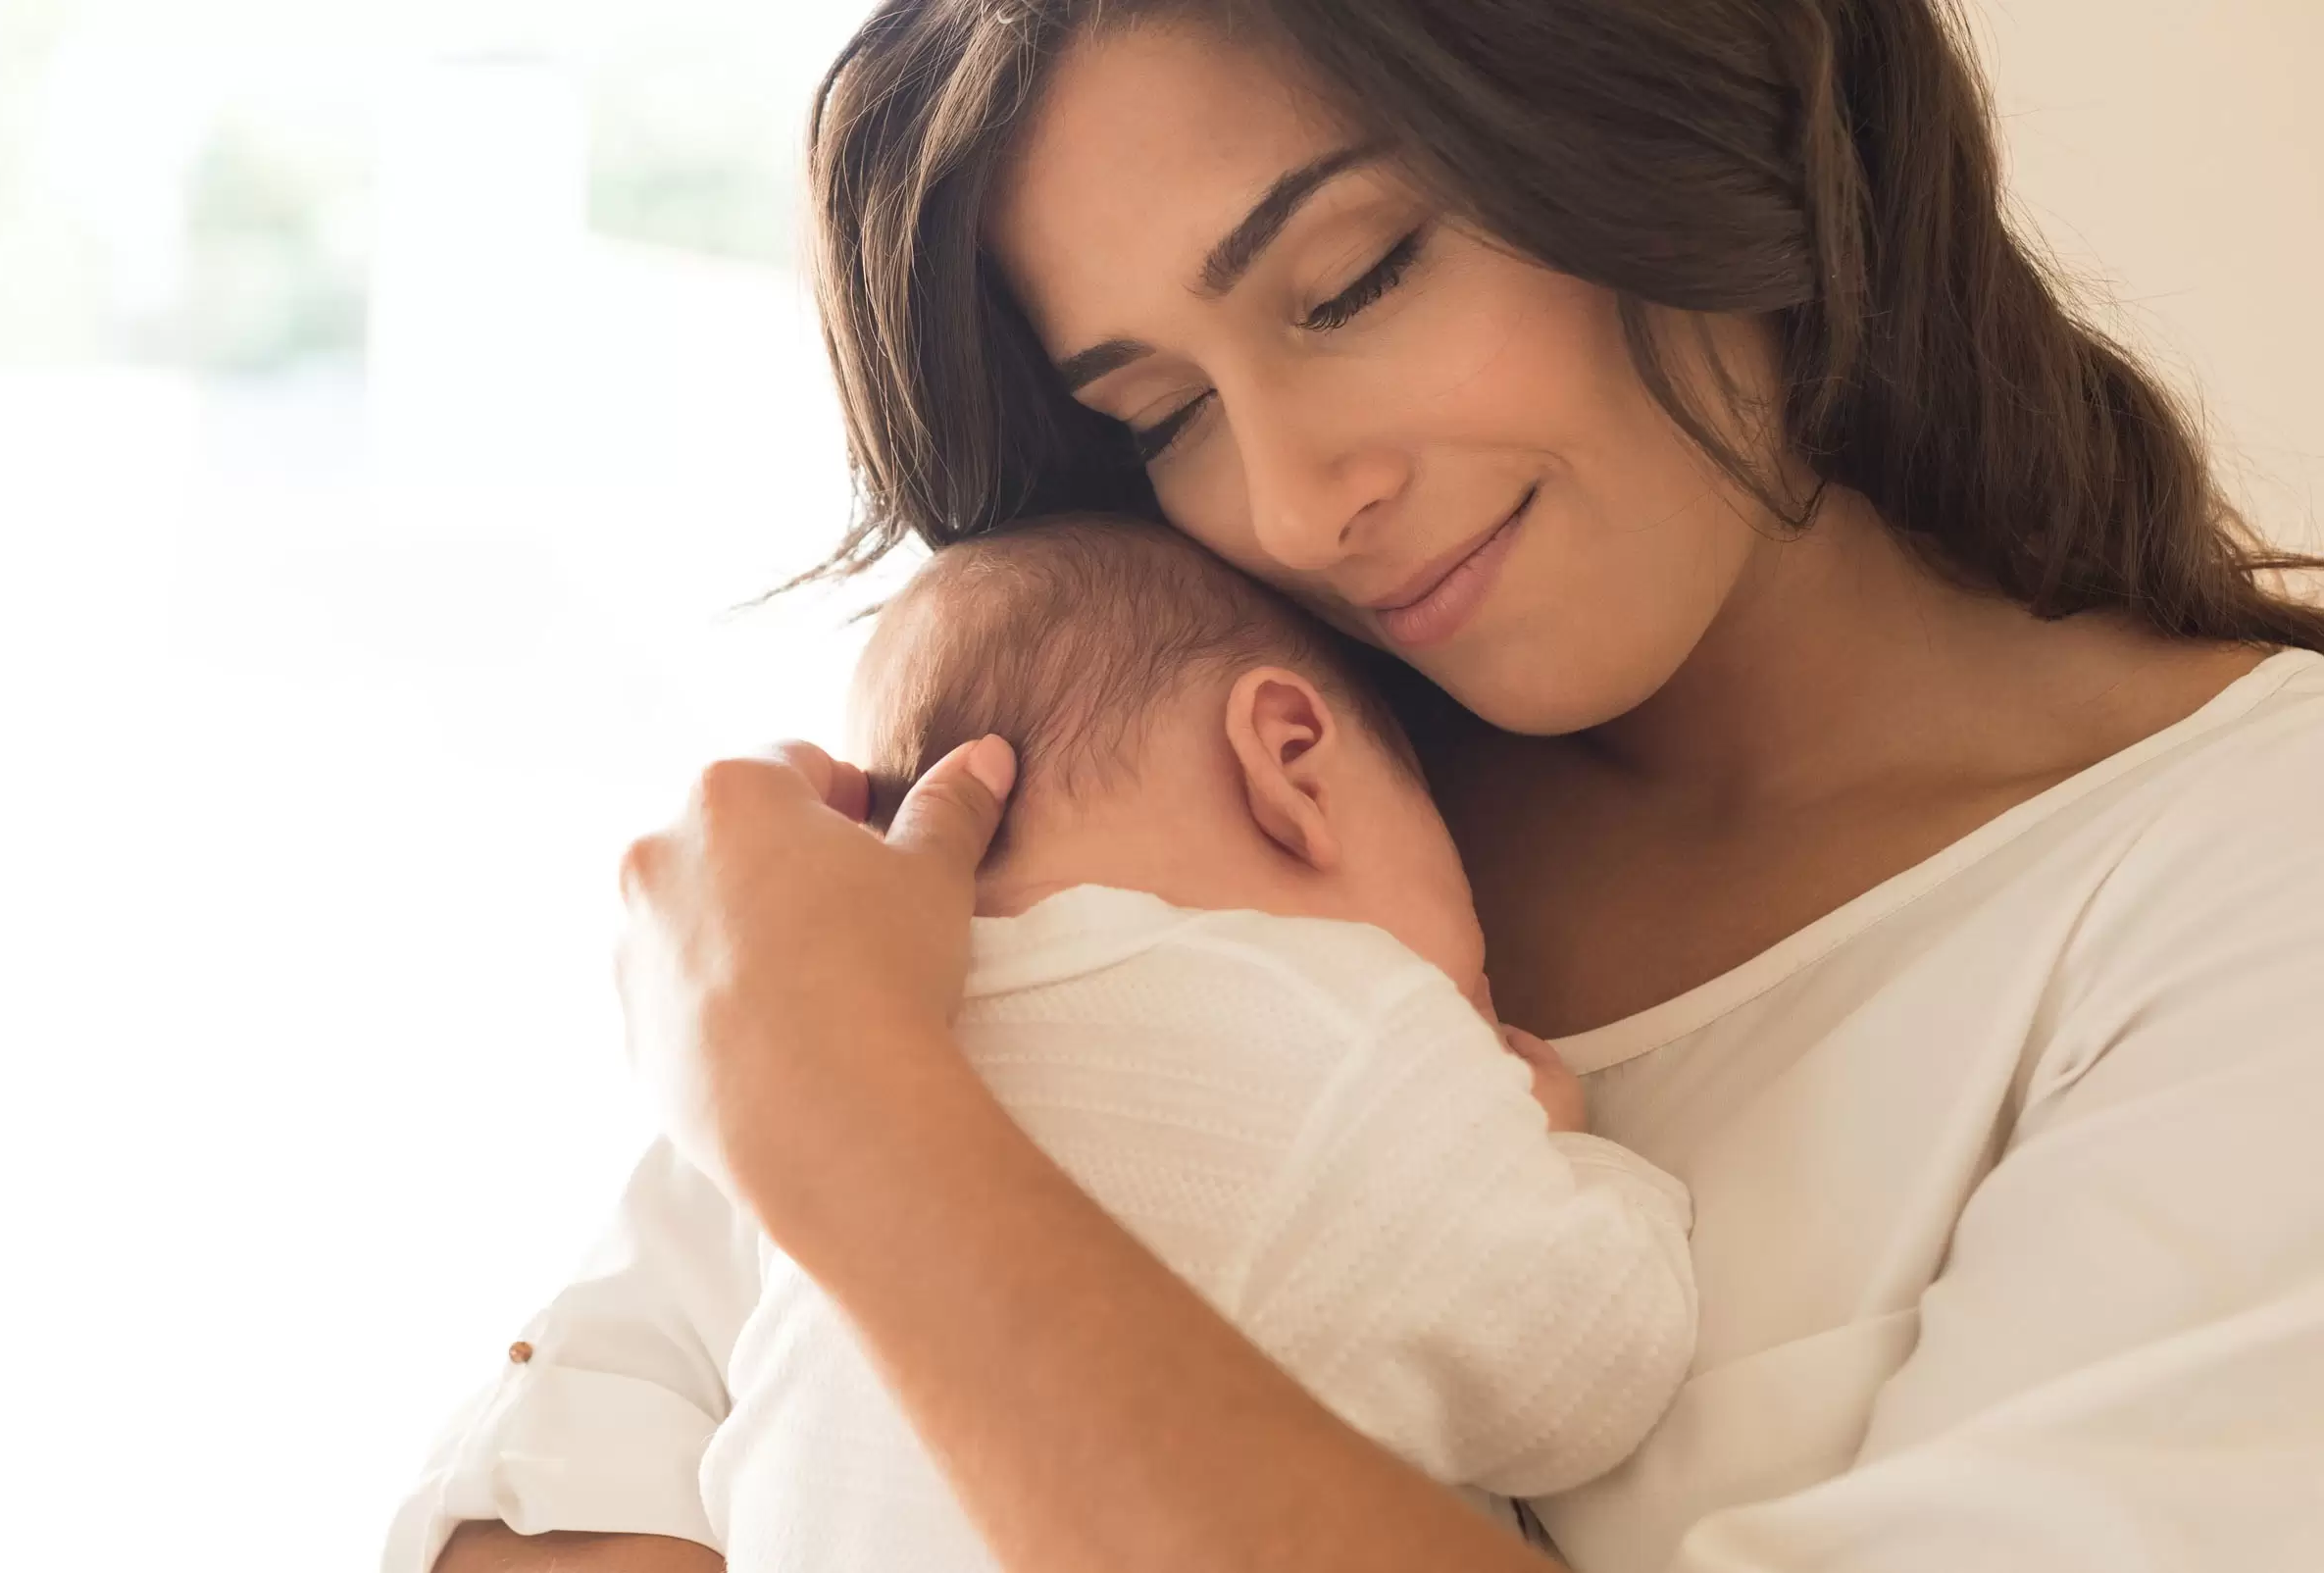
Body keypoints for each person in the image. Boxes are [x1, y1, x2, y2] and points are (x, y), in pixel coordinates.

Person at [429, 0, 2324, 1568]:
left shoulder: (2240, 881)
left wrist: (847, 1121)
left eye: (1352, 282)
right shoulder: (1174, 819)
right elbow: (543, 1504)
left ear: (1675, 111)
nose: (1288, 500)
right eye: (1157, 416)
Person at [388, 515, 1698, 1572]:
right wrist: (1565, 1157)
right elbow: (1587, 1372)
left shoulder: (800, 1080)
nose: (1473, 974)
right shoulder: (1343, 1025)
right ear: (1292, 760)